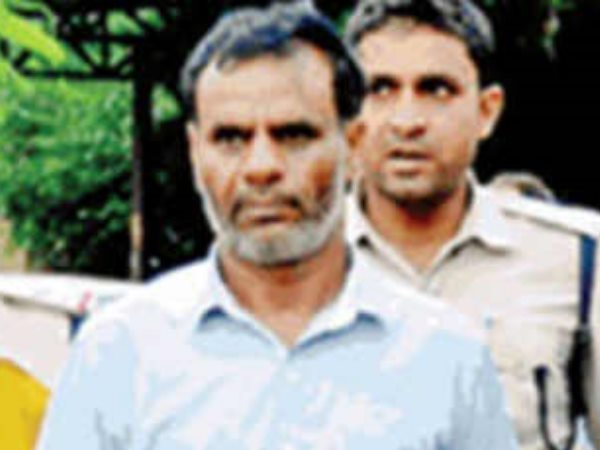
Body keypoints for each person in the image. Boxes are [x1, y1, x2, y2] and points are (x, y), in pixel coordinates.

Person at [36, 2, 517, 450]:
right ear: (195, 153)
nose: (261, 167)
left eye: (293, 135)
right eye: (231, 139)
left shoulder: (447, 357)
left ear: (353, 145)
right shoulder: (118, 353)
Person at [344, 1, 600, 449]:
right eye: (380, 89)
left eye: (436, 90)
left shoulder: (575, 257)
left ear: (487, 111)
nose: (407, 121)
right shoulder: (287, 269)